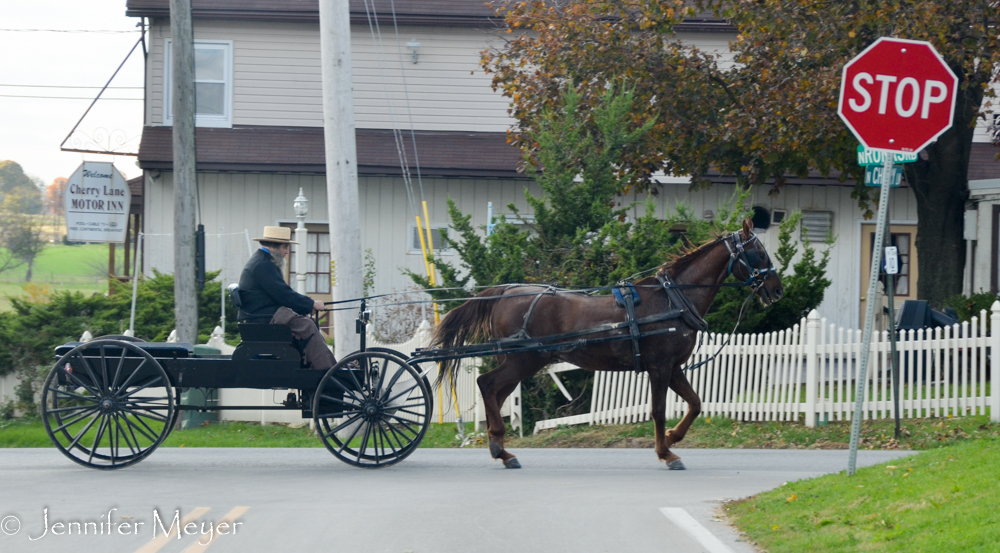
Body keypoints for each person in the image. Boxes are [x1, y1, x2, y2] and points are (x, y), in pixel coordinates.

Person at [237, 226, 336, 371]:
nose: (287, 252)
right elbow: (284, 294)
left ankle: (317, 366)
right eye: (285, 247)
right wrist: (312, 304)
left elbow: (282, 294)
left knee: (305, 322)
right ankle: (327, 370)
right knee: (307, 325)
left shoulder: (262, 262)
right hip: (262, 319)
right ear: (274, 247)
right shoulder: (262, 265)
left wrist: (306, 307)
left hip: (261, 316)